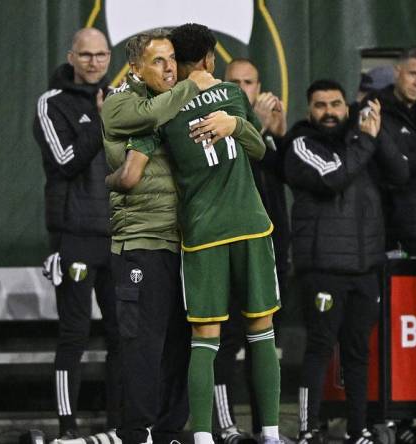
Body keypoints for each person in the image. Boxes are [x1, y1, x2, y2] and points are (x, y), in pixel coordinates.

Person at [158, 23, 281, 444]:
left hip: (202, 230)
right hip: (249, 223)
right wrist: (236, 125)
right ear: (211, 56)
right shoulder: (232, 94)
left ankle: (204, 438)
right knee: (261, 331)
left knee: (204, 340)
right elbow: (260, 150)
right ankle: (269, 433)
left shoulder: (165, 106)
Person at [100, 28, 222, 444]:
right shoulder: (118, 105)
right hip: (141, 244)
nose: (169, 68)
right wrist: (196, 83)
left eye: (172, 59)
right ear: (135, 67)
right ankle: (136, 433)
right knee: (142, 347)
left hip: (184, 244)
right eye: (158, 61)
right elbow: (153, 115)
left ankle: (171, 431)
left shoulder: (178, 106)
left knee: (180, 347)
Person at [284, 79, 407, 444]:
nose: (329, 112)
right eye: (320, 105)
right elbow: (332, 178)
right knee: (320, 349)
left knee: (358, 353)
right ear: (309, 111)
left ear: (346, 107)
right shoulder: (301, 143)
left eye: (336, 104)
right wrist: (366, 140)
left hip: (365, 266)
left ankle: (359, 430)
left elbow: (401, 174)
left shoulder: (362, 140)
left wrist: (376, 133)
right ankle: (308, 429)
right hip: (323, 268)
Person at [32, 28, 120, 439]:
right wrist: (101, 122)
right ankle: (67, 428)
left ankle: (120, 426)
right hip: (76, 237)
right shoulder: (53, 104)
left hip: (119, 236)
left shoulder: (122, 101)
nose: (94, 62)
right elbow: (64, 160)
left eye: (101, 55)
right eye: (86, 55)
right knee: (75, 334)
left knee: (124, 335)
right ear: (72, 57)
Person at [363, 47, 416, 444]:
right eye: (412, 74)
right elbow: (397, 171)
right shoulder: (377, 111)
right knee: (379, 333)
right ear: (397, 72)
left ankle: (404, 420)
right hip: (378, 237)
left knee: (410, 335)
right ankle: (380, 417)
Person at [213, 58, 290, 444]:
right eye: (234, 82)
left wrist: (279, 134)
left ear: (260, 86)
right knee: (223, 342)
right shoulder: (211, 123)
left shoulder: (272, 128)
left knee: (264, 341)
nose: (242, 90)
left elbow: (291, 176)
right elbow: (231, 165)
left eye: (249, 82)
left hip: (268, 246)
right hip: (226, 246)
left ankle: (266, 428)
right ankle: (226, 426)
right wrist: (257, 128)